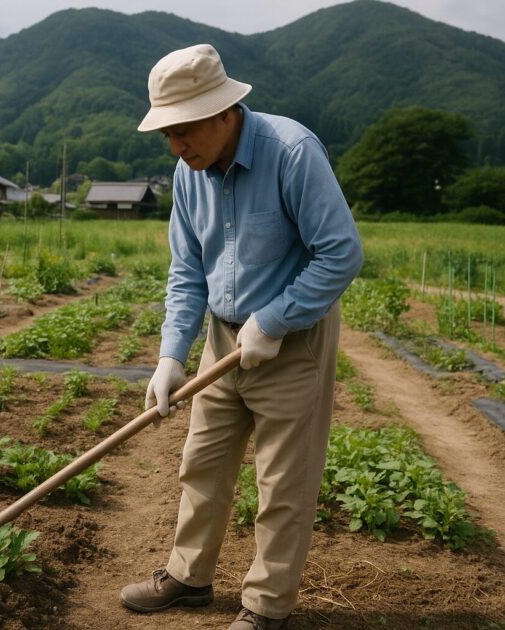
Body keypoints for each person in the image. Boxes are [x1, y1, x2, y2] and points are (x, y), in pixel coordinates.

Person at [119, 44, 363, 630]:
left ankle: (266, 607)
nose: (177, 146)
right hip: (222, 338)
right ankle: (189, 576)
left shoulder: (292, 152)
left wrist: (275, 320)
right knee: (201, 463)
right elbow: (186, 272)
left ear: (225, 111)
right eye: (168, 135)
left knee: (282, 483)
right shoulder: (188, 173)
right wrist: (170, 356)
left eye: (185, 130)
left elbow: (341, 253)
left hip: (291, 340)